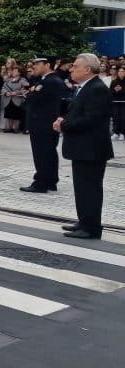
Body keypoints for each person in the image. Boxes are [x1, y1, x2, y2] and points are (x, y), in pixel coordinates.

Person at [56, 53, 114, 240]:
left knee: (90, 189)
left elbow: (91, 119)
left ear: (87, 69)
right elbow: (79, 114)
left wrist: (63, 125)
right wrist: (65, 120)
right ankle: (84, 221)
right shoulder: (85, 87)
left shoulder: (96, 88)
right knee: (82, 188)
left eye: (75, 66)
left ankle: (91, 227)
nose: (71, 69)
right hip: (83, 148)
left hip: (91, 149)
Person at [21, 55, 66, 193]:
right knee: (49, 152)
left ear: (47, 65)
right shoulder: (46, 80)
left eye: (38, 63)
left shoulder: (50, 81)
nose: (34, 66)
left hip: (42, 122)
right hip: (46, 122)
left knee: (42, 153)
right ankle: (51, 181)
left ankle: (41, 182)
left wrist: (31, 93)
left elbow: (32, 99)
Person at [111, 66, 125, 141]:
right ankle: (116, 132)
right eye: (119, 71)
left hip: (124, 103)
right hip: (115, 102)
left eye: (122, 71)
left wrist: (121, 90)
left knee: (123, 118)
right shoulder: (114, 81)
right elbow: (110, 92)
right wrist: (115, 90)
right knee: (115, 117)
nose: (121, 73)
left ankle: (122, 133)